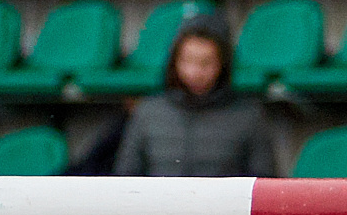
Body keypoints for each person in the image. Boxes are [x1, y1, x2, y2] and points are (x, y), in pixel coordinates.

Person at [114, 15, 276, 177]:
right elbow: (126, 176)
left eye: (206, 63)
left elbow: (263, 181)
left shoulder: (248, 115)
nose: (195, 72)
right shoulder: (148, 112)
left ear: (222, 64)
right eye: (187, 60)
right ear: (175, 60)